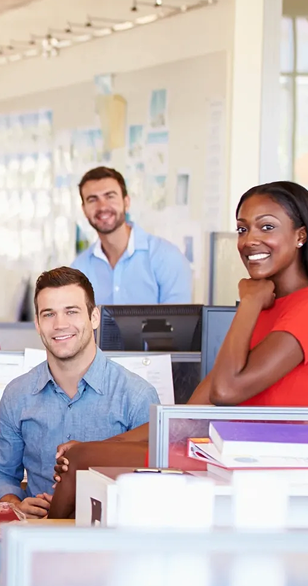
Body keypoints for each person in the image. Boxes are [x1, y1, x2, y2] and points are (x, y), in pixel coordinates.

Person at [51, 180, 308, 517]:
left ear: (301, 235)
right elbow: (190, 414)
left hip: (270, 461)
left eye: (267, 227)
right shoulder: (266, 306)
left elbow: (228, 389)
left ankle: (33, 553)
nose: (249, 241)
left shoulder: (297, 309)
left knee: (83, 463)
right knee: (80, 457)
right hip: (229, 452)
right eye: (242, 229)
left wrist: (248, 302)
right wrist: (99, 446)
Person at [0, 267, 159, 517]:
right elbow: (2, 473)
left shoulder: (137, 395)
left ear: (95, 318)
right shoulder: (18, 394)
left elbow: (153, 484)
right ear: (37, 324)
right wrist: (15, 503)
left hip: (110, 537)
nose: (60, 324)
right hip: (40, 537)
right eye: (49, 314)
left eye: (71, 312)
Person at [71, 166, 192, 305]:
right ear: (84, 209)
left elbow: (180, 323)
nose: (102, 206)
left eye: (110, 196)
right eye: (92, 199)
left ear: (126, 202)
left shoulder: (166, 257)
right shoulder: (79, 269)